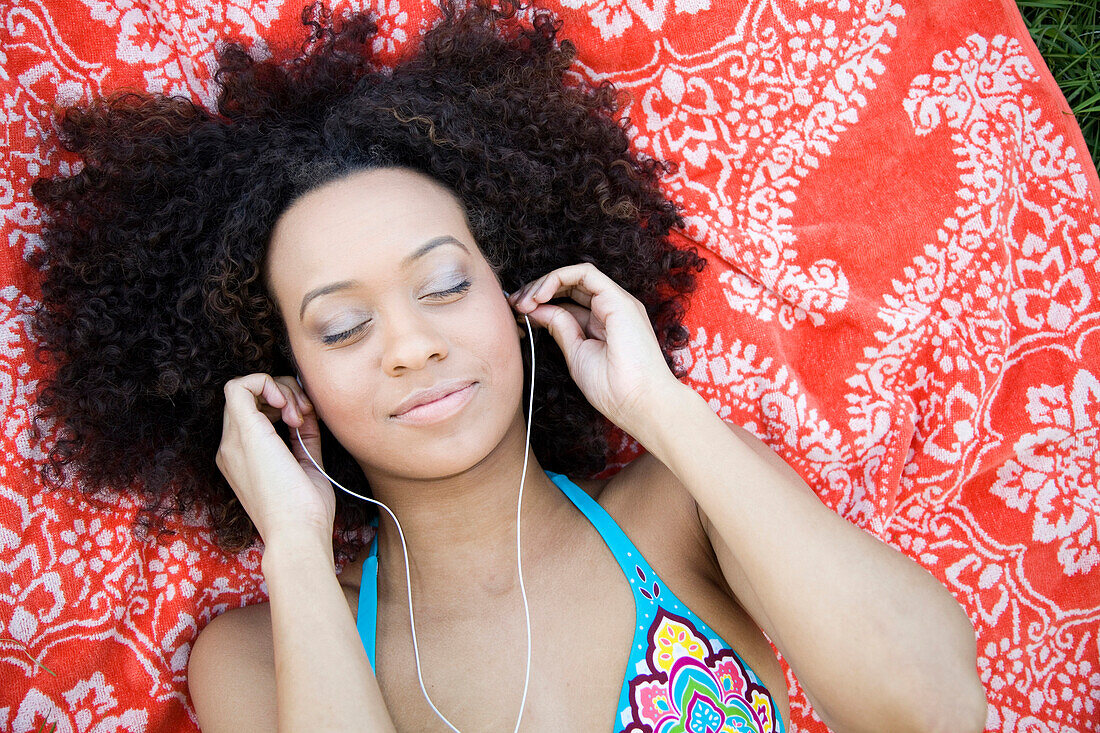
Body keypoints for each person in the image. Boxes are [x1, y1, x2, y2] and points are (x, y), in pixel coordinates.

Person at [28, 1, 987, 731]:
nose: (411, 343)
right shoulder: (256, 656)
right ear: (286, 387)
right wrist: (292, 540)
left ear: (519, 289)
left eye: (444, 285)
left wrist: (663, 408)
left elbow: (938, 708)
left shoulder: (684, 503)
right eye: (343, 327)